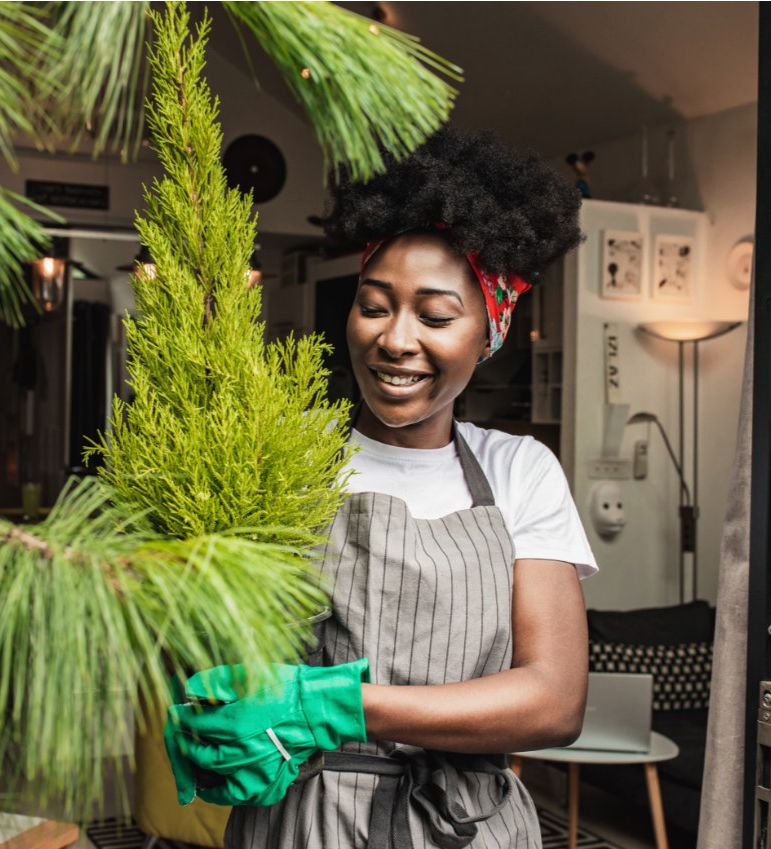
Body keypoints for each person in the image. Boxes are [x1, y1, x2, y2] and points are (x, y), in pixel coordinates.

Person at [166, 126, 597, 849]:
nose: (396, 340)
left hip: (466, 825)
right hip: (303, 823)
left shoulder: (521, 470)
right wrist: (211, 712)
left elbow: (554, 700)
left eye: (435, 315)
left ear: (489, 331)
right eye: (374, 304)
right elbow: (212, 638)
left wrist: (333, 706)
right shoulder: (284, 455)